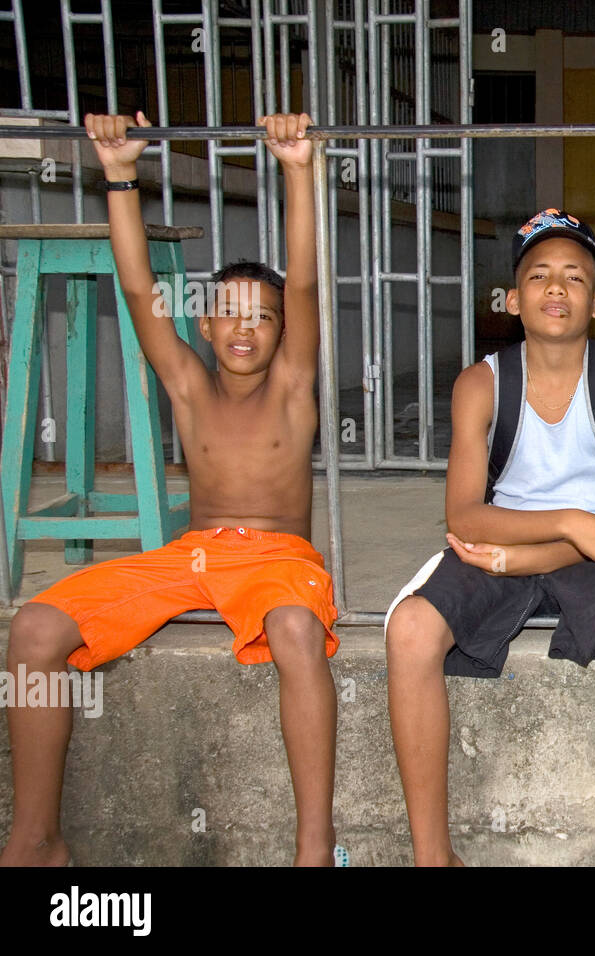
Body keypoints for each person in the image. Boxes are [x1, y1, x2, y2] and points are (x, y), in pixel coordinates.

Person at [0, 111, 341, 867]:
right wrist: (120, 171)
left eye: (262, 318)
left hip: (279, 558)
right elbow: (135, 282)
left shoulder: (291, 385)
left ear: (285, 332)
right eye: (227, 315)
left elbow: (308, 278)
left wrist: (295, 169)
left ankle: (314, 848)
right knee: (32, 632)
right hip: (190, 556)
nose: (244, 329)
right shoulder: (187, 385)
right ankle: (37, 839)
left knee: (293, 630)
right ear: (204, 325)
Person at [384, 209, 595, 866]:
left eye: (574, 277)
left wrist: (541, 553)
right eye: (540, 276)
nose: (557, 289)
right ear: (513, 299)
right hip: (504, 539)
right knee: (409, 630)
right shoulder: (481, 384)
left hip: (592, 550)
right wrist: (568, 522)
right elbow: (465, 515)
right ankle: (432, 855)